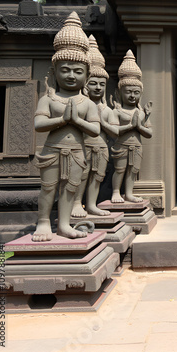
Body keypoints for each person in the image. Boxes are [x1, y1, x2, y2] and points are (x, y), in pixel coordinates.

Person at [33, 12, 100, 241]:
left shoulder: (87, 103)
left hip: (77, 152)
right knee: (48, 187)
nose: (71, 75)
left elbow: (95, 130)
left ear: (87, 75)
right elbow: (39, 124)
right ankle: (43, 223)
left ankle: (64, 224)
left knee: (70, 189)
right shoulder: (49, 99)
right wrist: (63, 120)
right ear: (54, 72)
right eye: (65, 70)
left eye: (78, 71)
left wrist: (77, 121)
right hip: (52, 150)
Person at [71, 36, 114, 218]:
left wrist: (102, 122)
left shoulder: (107, 109)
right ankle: (75, 204)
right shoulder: (80, 104)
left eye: (102, 85)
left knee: (97, 177)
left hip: (102, 147)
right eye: (93, 83)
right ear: (85, 84)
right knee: (81, 175)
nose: (97, 88)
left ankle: (91, 204)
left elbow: (116, 132)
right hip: (82, 146)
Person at [111, 50, 152, 204]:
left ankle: (129, 193)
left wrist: (139, 126)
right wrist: (130, 126)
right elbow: (114, 131)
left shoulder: (141, 112)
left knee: (133, 171)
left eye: (136, 92)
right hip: (121, 145)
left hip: (137, 146)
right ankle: (116, 192)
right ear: (119, 93)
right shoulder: (117, 111)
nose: (132, 96)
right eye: (128, 92)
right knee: (120, 170)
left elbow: (149, 133)